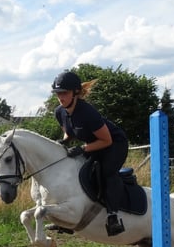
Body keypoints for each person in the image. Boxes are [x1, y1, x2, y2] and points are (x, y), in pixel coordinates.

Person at [52, 70, 129, 236]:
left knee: (106, 172)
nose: (61, 97)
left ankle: (113, 216)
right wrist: (64, 142)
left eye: (64, 93)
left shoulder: (87, 112)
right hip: (95, 144)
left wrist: (82, 149)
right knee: (76, 168)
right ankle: (68, 218)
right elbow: (70, 132)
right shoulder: (60, 112)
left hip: (115, 144)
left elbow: (106, 141)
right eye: (58, 93)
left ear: (75, 93)